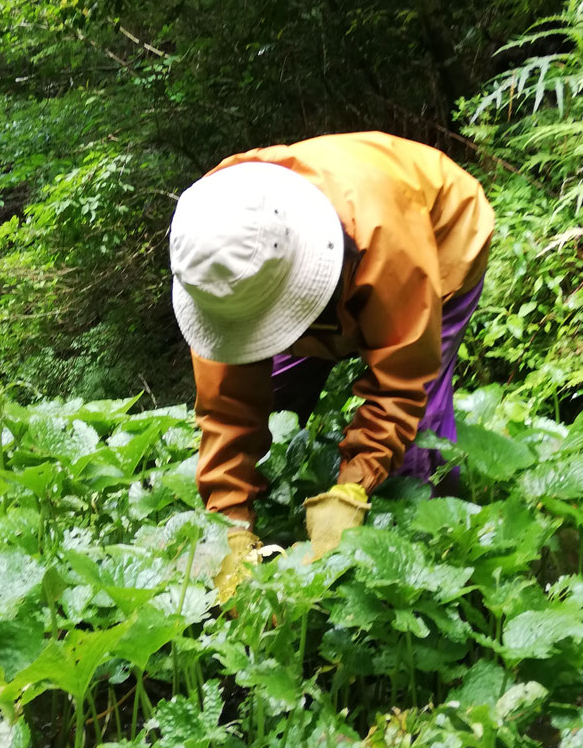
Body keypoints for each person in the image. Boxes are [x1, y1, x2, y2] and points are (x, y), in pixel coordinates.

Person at [169, 131, 494, 599]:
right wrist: (230, 521)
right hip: (311, 263)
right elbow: (227, 408)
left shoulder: (388, 240)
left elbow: (400, 381)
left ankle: (427, 568)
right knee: (277, 400)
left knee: (415, 447)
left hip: (436, 243)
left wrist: (352, 490)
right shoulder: (218, 253)